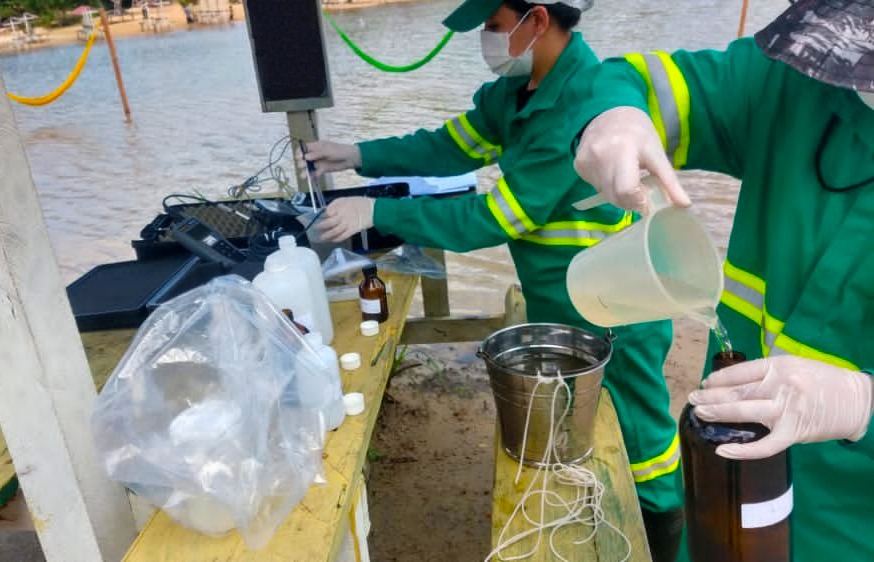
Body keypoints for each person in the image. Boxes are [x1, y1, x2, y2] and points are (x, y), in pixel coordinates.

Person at [302, 0, 684, 557]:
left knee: (641, 438)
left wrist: (379, 213)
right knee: (575, 432)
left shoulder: (582, 105)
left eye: (494, 26)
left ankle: (663, 535)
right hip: (560, 300)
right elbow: (448, 146)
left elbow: (492, 217)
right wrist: (360, 155)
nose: (485, 38)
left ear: (537, 20)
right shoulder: (514, 93)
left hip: (618, 306)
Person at [571, 0, 874, 560]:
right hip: (724, 497)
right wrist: (614, 116)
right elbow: (637, 80)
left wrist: (861, 403)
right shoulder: (797, 81)